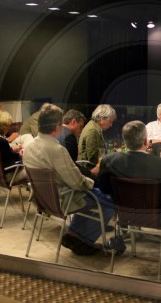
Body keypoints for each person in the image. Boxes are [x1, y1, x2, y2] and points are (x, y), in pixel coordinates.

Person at [22, 104, 114, 256]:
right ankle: (84, 241)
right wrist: (92, 182)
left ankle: (74, 234)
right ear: (57, 127)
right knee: (109, 200)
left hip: (43, 200)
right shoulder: (57, 150)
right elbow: (78, 183)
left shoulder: (29, 146)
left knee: (93, 195)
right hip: (63, 200)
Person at [97, 120, 161, 253]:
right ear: (145, 141)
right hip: (154, 216)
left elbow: (103, 188)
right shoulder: (159, 164)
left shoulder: (109, 160)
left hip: (123, 213)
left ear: (125, 140)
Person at [0, 110, 28, 183]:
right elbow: (13, 161)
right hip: (7, 176)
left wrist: (12, 150)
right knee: (35, 169)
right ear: (2, 126)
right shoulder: (2, 141)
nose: (9, 127)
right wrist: (21, 154)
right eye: (8, 125)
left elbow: (5, 155)